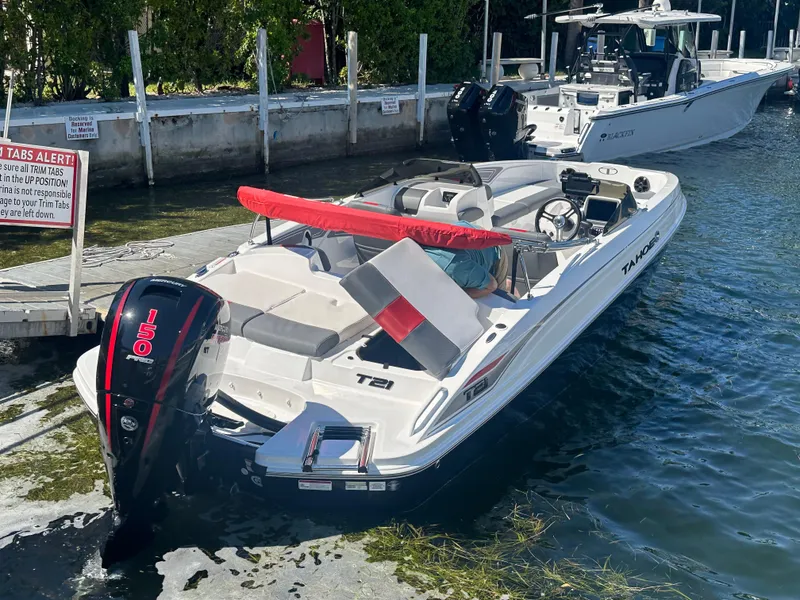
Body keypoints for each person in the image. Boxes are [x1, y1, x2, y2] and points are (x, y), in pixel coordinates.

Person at [423, 221, 509, 299]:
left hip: (492, 249)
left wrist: (461, 296)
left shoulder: (456, 269)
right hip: (465, 231)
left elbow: (491, 285)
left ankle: (508, 284)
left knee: (498, 299)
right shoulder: (413, 243)